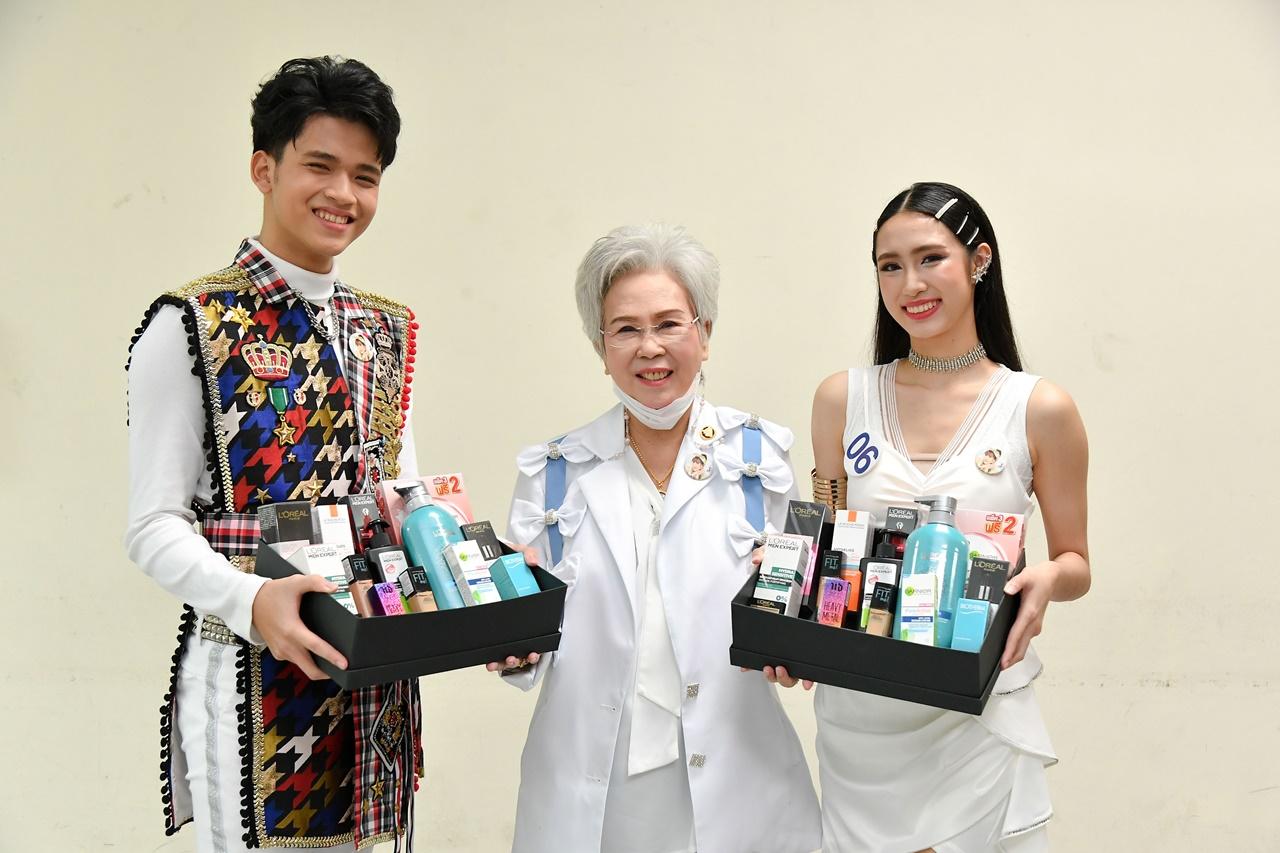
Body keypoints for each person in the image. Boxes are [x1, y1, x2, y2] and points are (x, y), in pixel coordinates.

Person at [125, 57, 423, 852]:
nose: (344, 194)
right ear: (265, 168)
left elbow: (401, 496)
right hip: (250, 677)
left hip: (373, 669)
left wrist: (470, 572)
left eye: (366, 176)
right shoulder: (191, 322)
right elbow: (152, 525)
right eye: (319, 166)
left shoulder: (384, 328)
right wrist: (252, 600)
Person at [491, 224, 821, 853]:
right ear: (600, 345)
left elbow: (790, 612)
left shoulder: (761, 460)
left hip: (737, 770)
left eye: (669, 324)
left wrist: (793, 650)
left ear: (705, 333)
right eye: (625, 329)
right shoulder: (554, 472)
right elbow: (527, 639)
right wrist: (509, 645)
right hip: (596, 778)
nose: (650, 347)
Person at [800, 182, 1091, 852]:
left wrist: (1048, 579)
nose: (911, 284)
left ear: (979, 260)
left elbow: (1076, 561)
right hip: (862, 710)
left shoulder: (1038, 408)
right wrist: (792, 610)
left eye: (931, 258)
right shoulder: (841, 398)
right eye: (890, 265)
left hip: (975, 703)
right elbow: (828, 540)